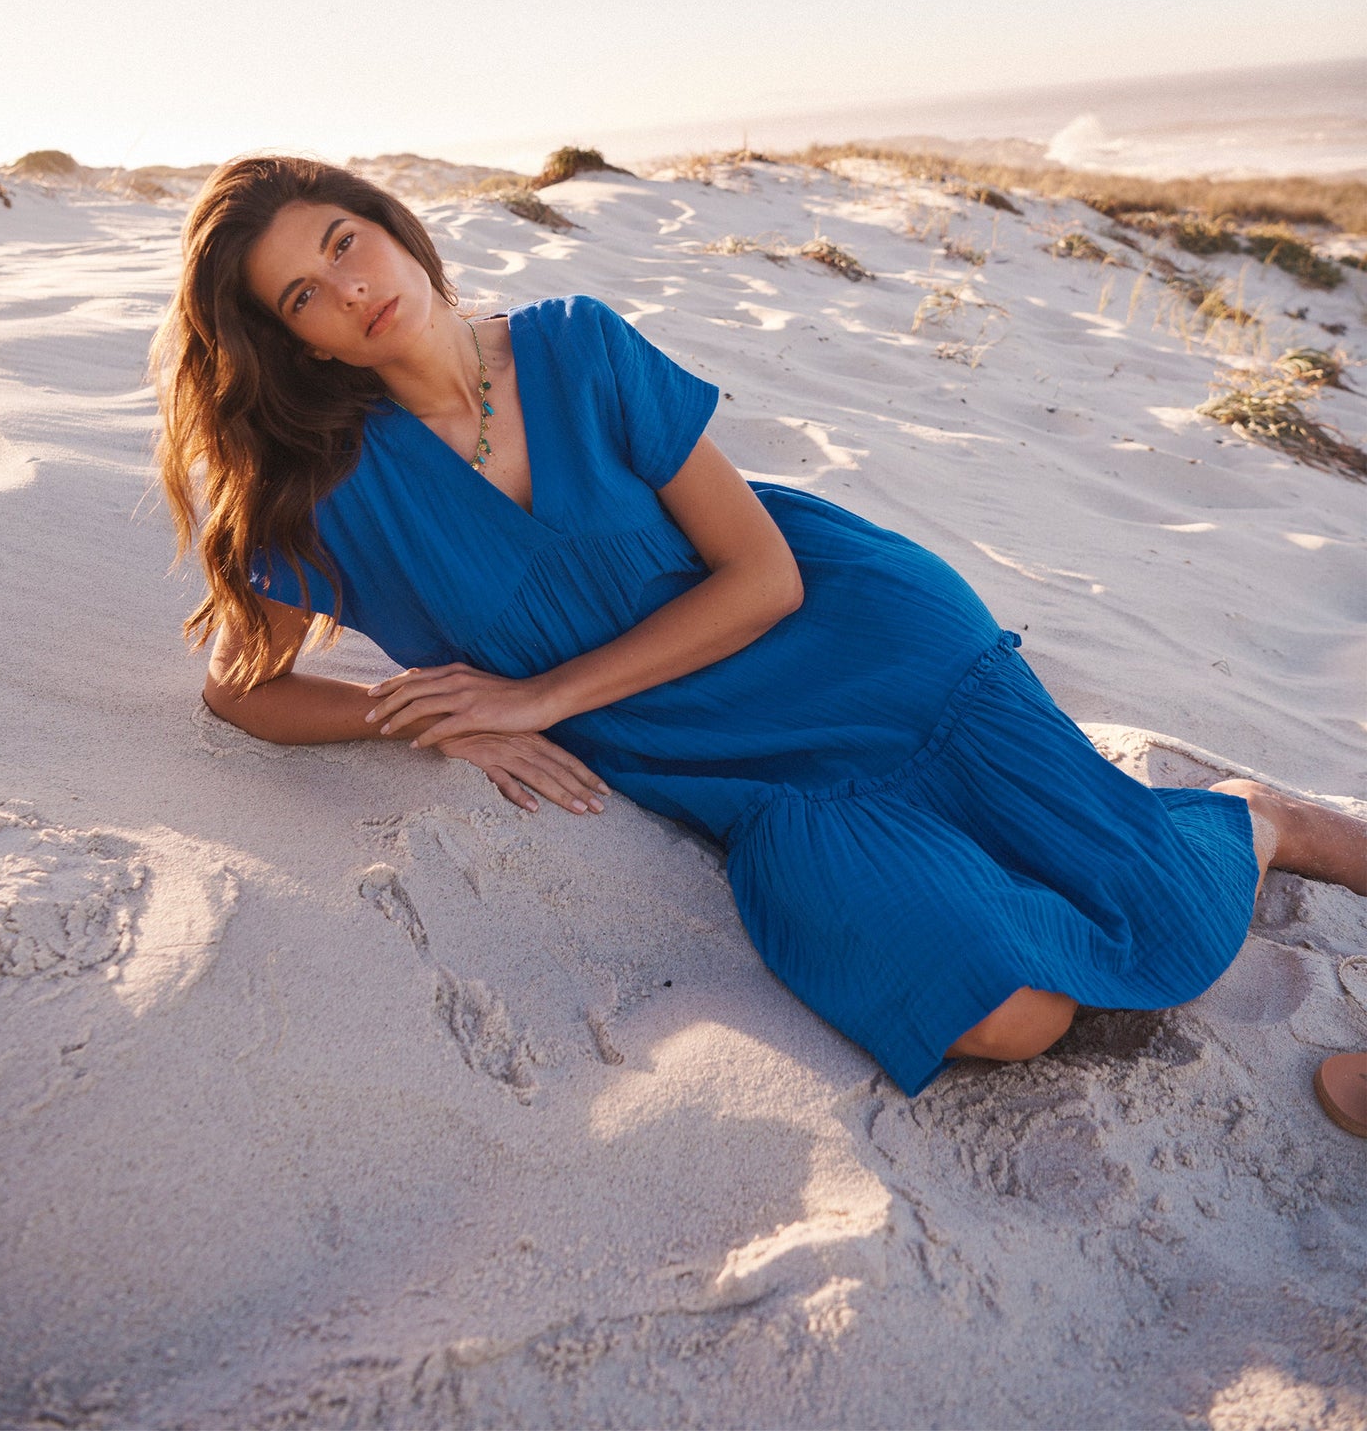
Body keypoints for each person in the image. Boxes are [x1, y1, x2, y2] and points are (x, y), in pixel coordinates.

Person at [152, 155, 1367, 1101]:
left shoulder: (573, 347)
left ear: (392, 227)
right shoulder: (333, 487)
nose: (352, 289)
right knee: (1008, 1017)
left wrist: (536, 698)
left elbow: (765, 577)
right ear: (291, 338)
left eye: (345, 241)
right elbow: (238, 689)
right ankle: (1118, 847)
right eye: (303, 293)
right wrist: (406, 716)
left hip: (866, 646)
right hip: (739, 771)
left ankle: (1261, 822)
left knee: (1148, 891)